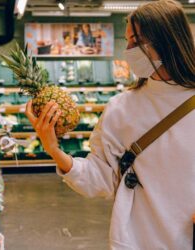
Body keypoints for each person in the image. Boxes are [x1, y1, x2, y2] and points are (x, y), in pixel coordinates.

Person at [25, 0, 195, 249]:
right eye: (127, 41)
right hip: (135, 242)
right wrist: (54, 150)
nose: (127, 50)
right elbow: (101, 180)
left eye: (136, 41)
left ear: (167, 41)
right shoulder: (121, 108)